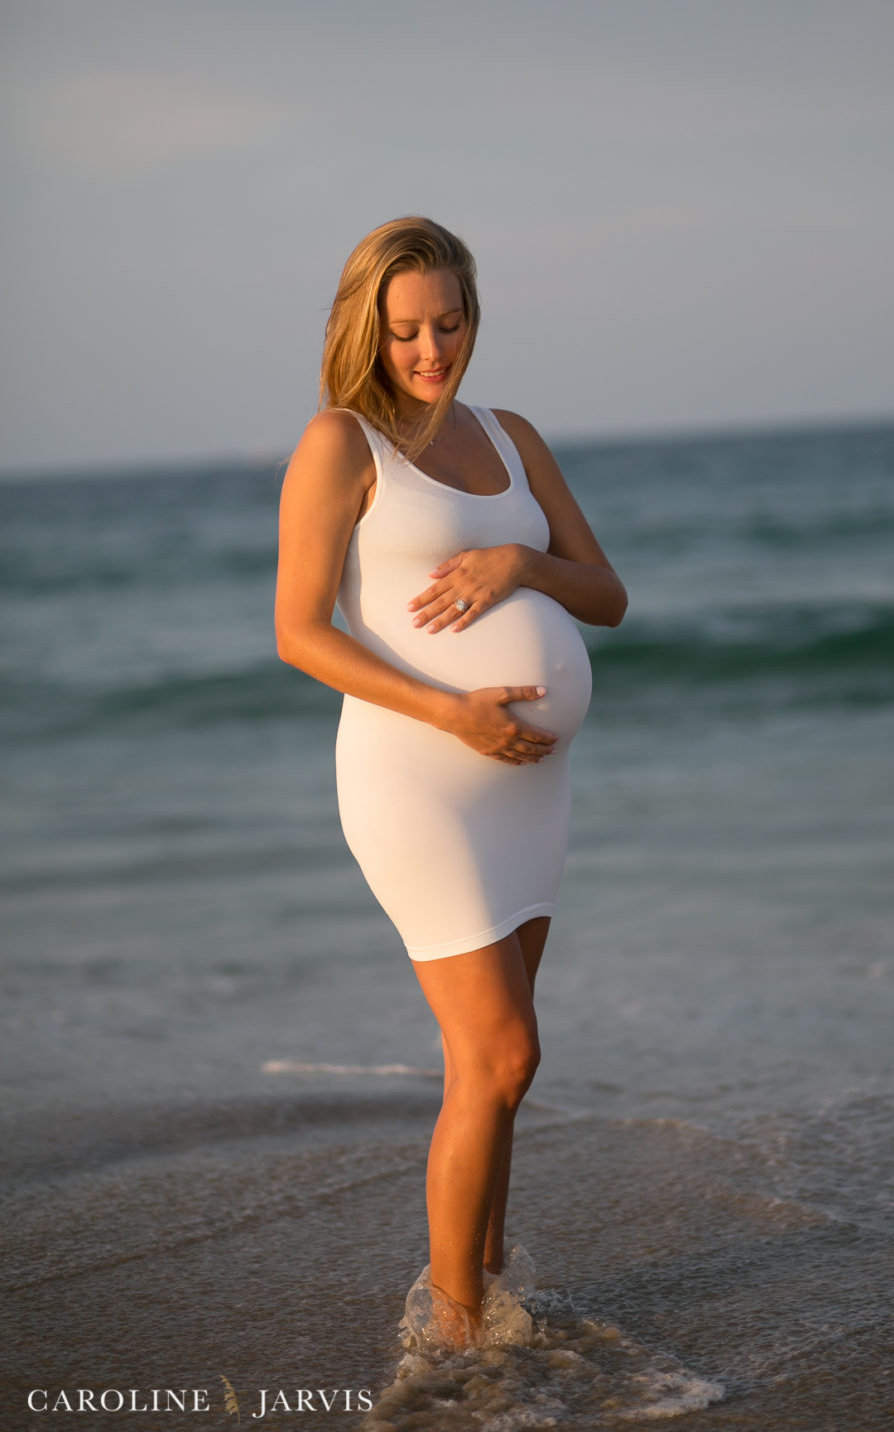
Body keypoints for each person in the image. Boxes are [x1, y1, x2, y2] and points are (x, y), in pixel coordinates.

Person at [275, 216, 627, 1347]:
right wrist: (450, 711)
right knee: (503, 1051)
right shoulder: (341, 443)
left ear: (474, 314)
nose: (431, 350)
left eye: (450, 323)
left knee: (498, 1059)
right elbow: (298, 632)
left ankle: (486, 1280)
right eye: (407, 331)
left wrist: (520, 562)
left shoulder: (512, 435)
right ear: (367, 332)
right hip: (416, 774)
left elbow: (607, 594)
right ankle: (456, 1341)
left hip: (525, 783)